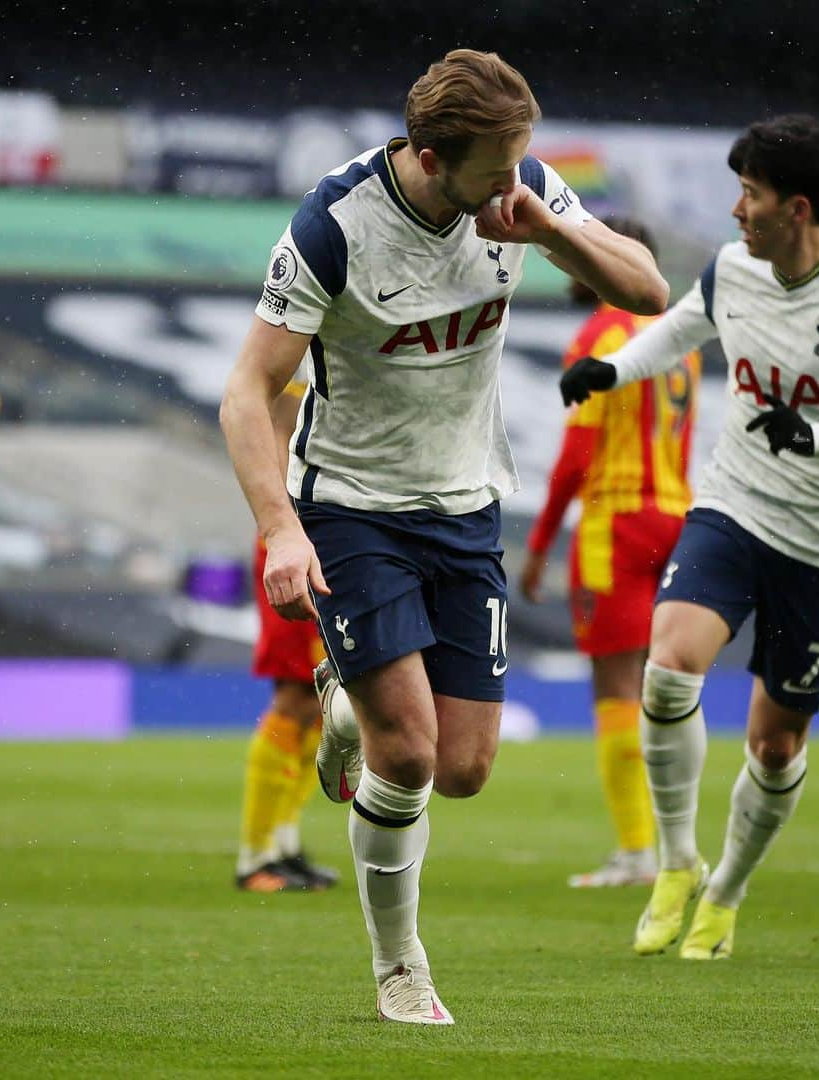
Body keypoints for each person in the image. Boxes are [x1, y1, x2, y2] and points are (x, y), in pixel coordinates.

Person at [220, 48, 668, 1024]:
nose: (514, 182)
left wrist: (552, 228)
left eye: (522, 163)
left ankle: (348, 702)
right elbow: (247, 392)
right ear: (429, 156)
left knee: (464, 769)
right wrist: (280, 533)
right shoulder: (334, 225)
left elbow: (648, 294)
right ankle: (399, 967)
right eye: (496, 170)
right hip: (351, 507)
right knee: (413, 756)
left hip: (468, 509)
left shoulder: (528, 194)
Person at [560, 114, 819, 960]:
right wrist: (612, 369)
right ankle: (675, 863)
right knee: (667, 667)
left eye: (751, 194)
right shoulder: (734, 268)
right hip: (733, 507)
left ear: (797, 208)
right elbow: (682, 326)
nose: (737, 211)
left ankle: (725, 892)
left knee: (774, 745)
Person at [519, 216, 700, 889]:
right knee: (667, 684)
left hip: (615, 524)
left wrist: (538, 546)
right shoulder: (679, 337)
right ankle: (674, 842)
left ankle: (635, 851)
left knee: (616, 688)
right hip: (678, 515)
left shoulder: (599, 337)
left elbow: (575, 457)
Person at [235, 375, 339, 893]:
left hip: (326, 541)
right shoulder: (289, 355)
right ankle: (254, 857)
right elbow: (270, 434)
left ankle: (282, 843)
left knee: (320, 700)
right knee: (295, 694)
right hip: (291, 542)